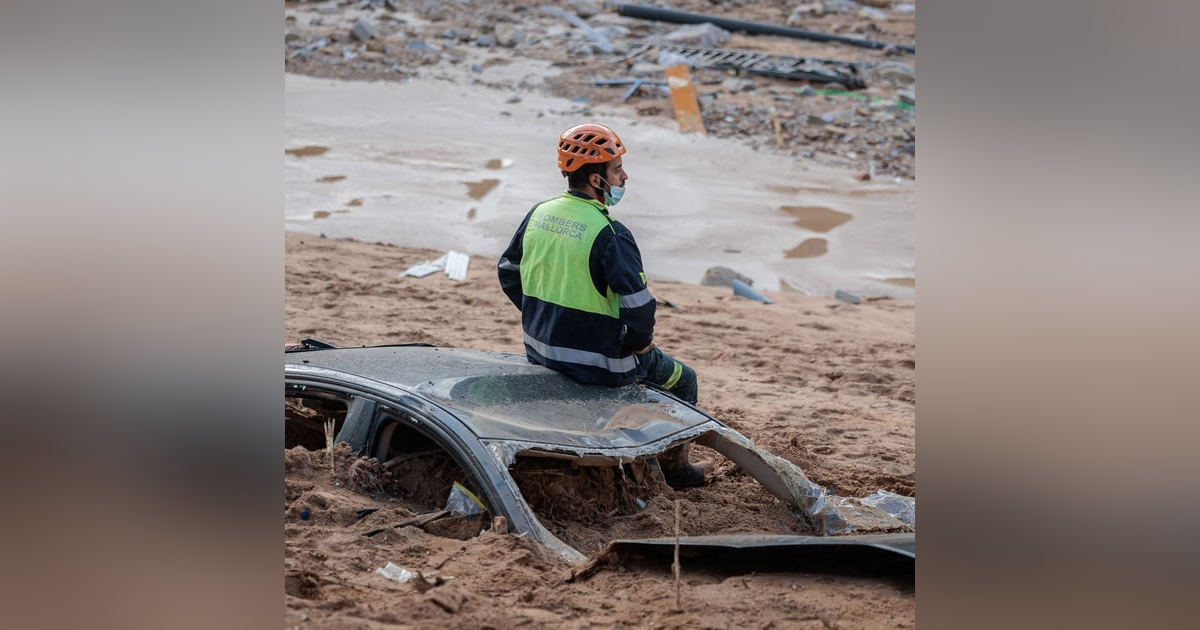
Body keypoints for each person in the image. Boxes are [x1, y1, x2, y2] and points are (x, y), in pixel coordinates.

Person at [497, 122, 704, 488]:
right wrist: (640, 345)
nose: (625, 176)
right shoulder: (610, 234)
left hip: (541, 351)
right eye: (617, 170)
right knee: (684, 380)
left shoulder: (539, 214)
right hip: (602, 365)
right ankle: (676, 472)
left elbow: (508, 272)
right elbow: (639, 311)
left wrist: (542, 315)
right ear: (596, 181)